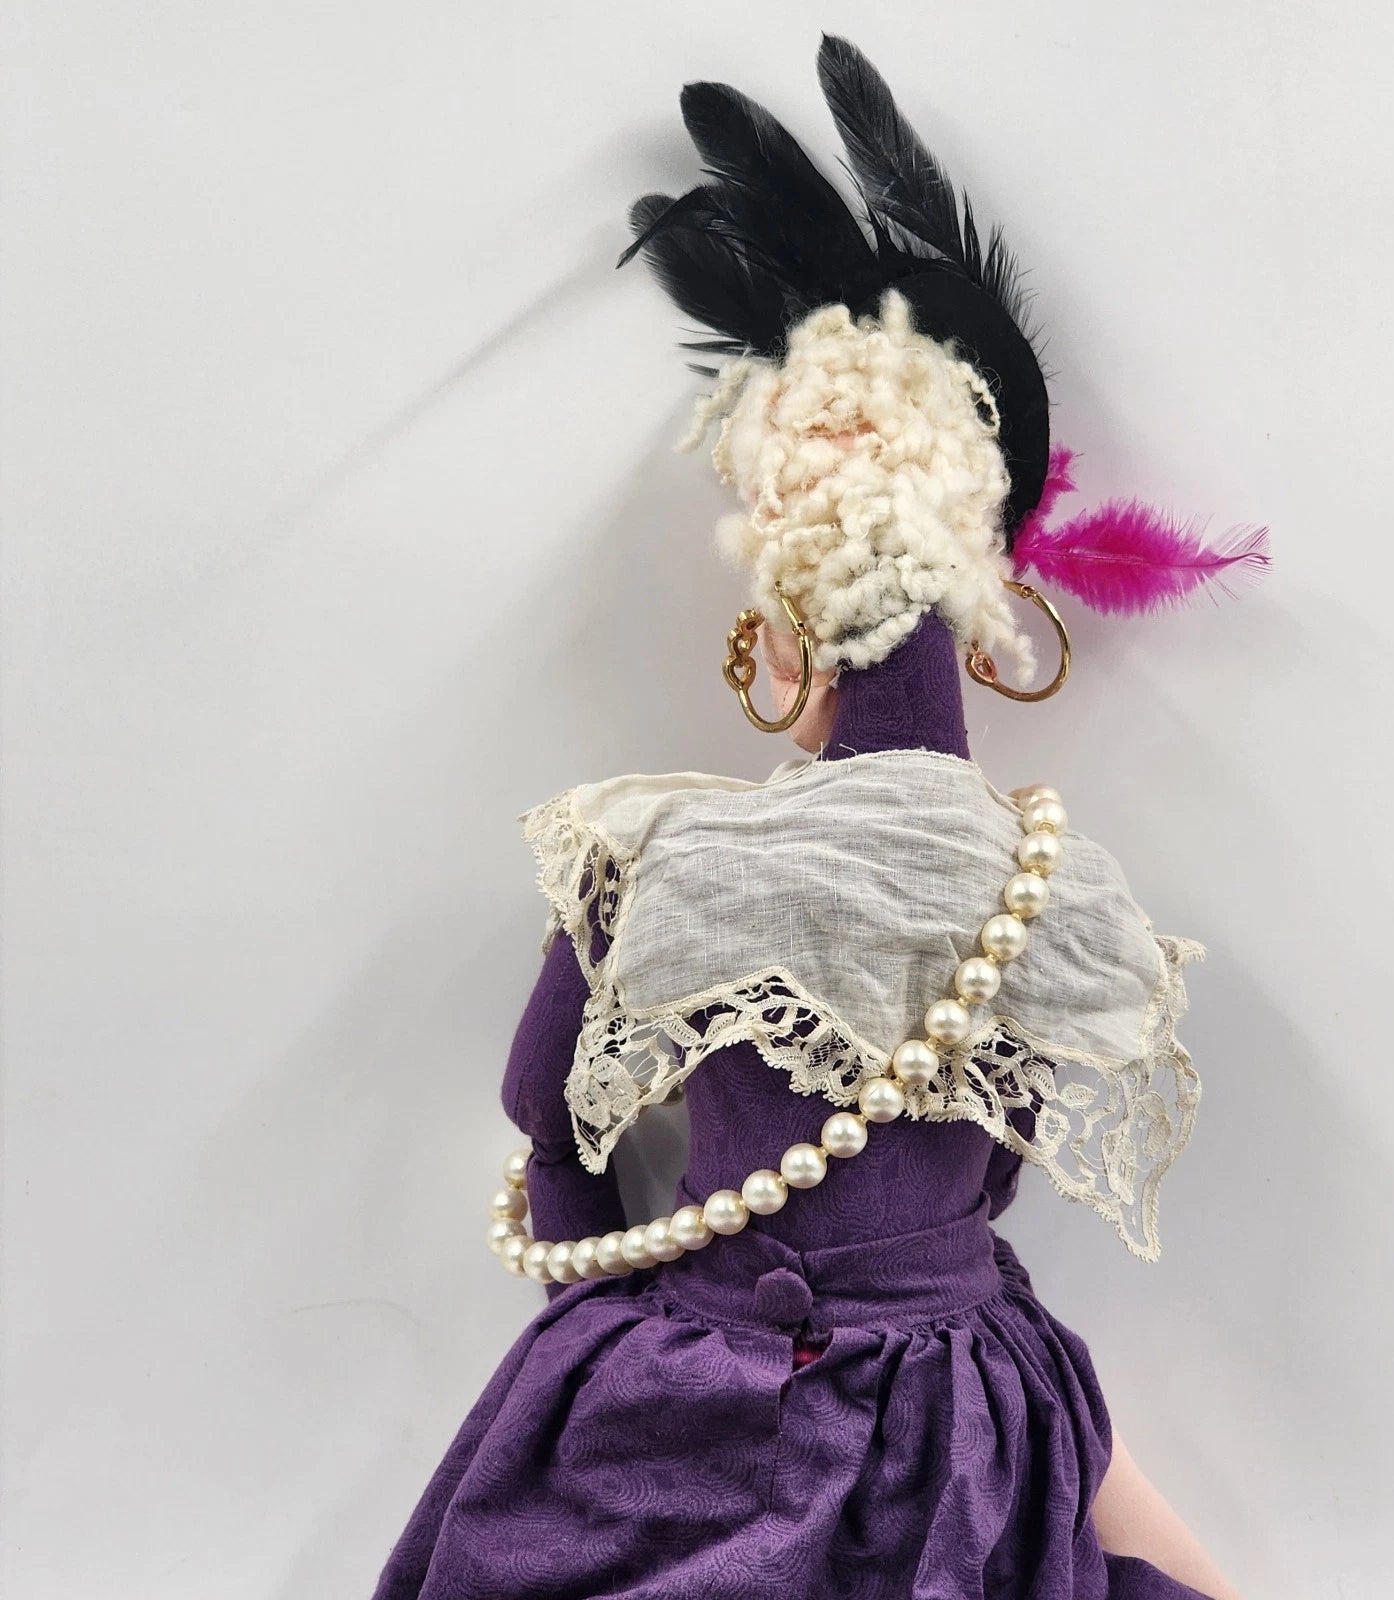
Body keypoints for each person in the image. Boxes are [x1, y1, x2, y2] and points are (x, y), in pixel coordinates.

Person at [374, 36, 1261, 1600]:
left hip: (694, 1393)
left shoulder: (665, 858)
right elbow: (991, 1185)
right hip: (958, 1417)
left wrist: (595, 1326)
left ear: (781, 630)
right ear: (992, 622)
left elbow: (549, 1118)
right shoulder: (1062, 894)